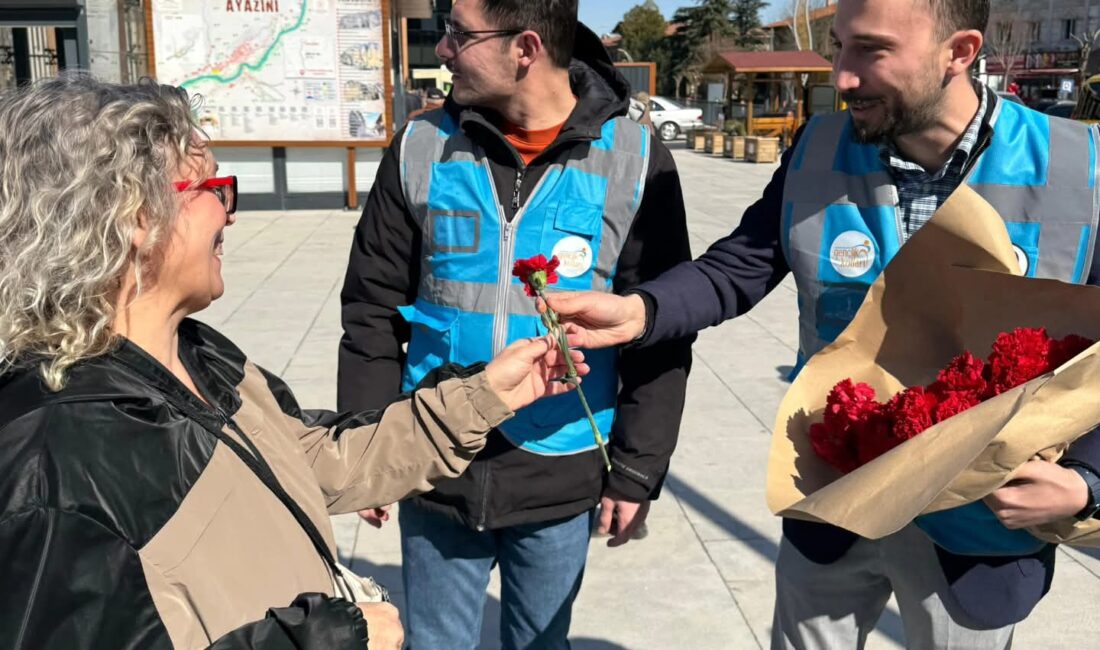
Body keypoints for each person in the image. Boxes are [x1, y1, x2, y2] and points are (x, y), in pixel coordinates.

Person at [546, 0, 1100, 648]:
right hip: (838, 498)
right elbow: (740, 266)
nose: (840, 75)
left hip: (979, 528)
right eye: (839, 46)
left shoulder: (1077, 169)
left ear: (961, 52)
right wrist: (641, 310)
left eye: (872, 50)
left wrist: (1085, 482)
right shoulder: (819, 149)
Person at [0, 74, 589, 650]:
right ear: (135, 218)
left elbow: (307, 459)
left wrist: (485, 396)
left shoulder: (199, 356)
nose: (229, 212)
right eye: (210, 189)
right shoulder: (55, 464)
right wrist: (330, 638)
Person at [337, 0, 693, 647]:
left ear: (524, 48)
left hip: (559, 472)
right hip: (437, 463)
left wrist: (638, 467)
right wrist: (367, 445)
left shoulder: (635, 159)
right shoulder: (422, 146)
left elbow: (660, 330)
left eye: (458, 35)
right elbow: (370, 308)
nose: (442, 49)